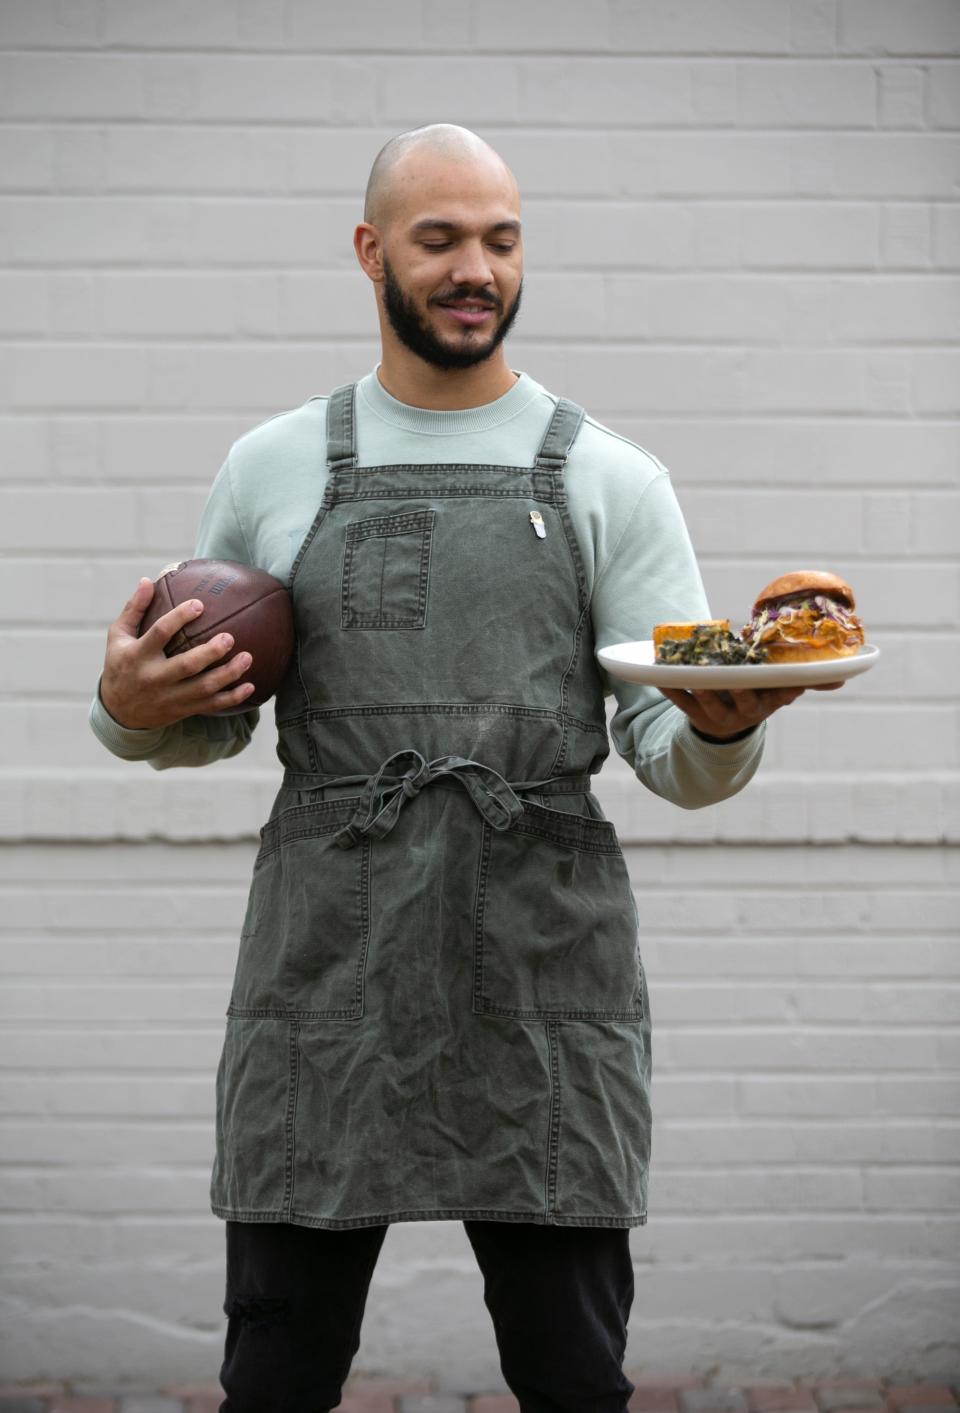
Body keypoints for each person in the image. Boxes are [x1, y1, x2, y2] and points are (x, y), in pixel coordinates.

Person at [89, 124, 824, 1412]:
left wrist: (720, 721)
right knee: (275, 1375)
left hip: (541, 966)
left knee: (572, 1376)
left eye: (501, 238)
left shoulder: (610, 478)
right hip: (328, 965)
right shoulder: (271, 469)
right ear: (373, 253)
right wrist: (124, 702)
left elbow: (670, 753)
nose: (474, 267)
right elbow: (203, 720)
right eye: (439, 240)